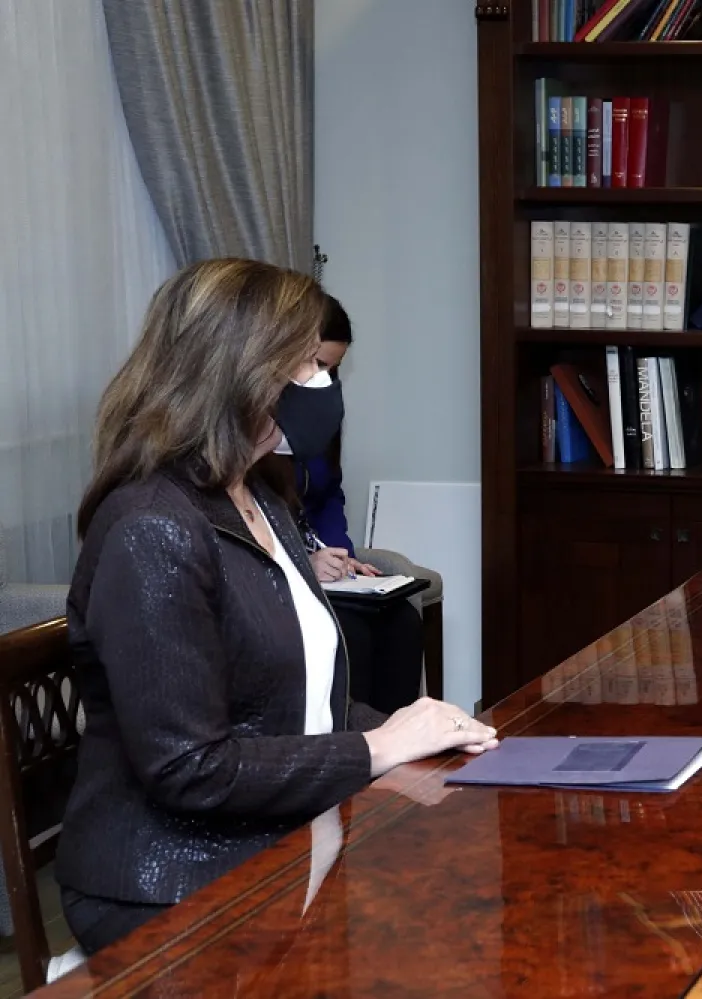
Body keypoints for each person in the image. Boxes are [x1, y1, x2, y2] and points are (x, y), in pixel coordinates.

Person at [57, 259, 498, 955]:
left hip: (274, 831)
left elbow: (294, 699)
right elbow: (186, 768)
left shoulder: (259, 496)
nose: (321, 385)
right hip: (169, 880)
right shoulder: (152, 527)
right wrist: (377, 747)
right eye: (301, 365)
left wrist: (419, 727)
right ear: (237, 371)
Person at [261, 296, 426, 714]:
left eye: (332, 369)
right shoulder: (254, 430)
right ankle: (360, 751)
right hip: (282, 579)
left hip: (315, 568)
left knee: (401, 622)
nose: (325, 380)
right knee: (349, 630)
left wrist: (341, 556)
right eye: (316, 365)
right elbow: (252, 525)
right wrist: (305, 562)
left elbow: (328, 493)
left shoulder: (319, 413)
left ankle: (401, 751)